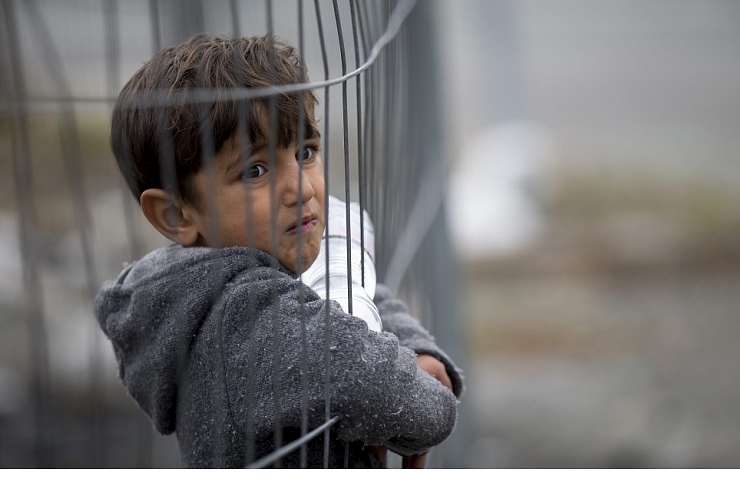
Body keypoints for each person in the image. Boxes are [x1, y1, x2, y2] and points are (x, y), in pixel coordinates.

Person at [94, 33, 464, 469]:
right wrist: (421, 390)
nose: (303, 189)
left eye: (306, 152)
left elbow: (354, 290)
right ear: (176, 214)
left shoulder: (260, 259)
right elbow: (411, 406)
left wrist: (414, 348)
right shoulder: (246, 320)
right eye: (255, 170)